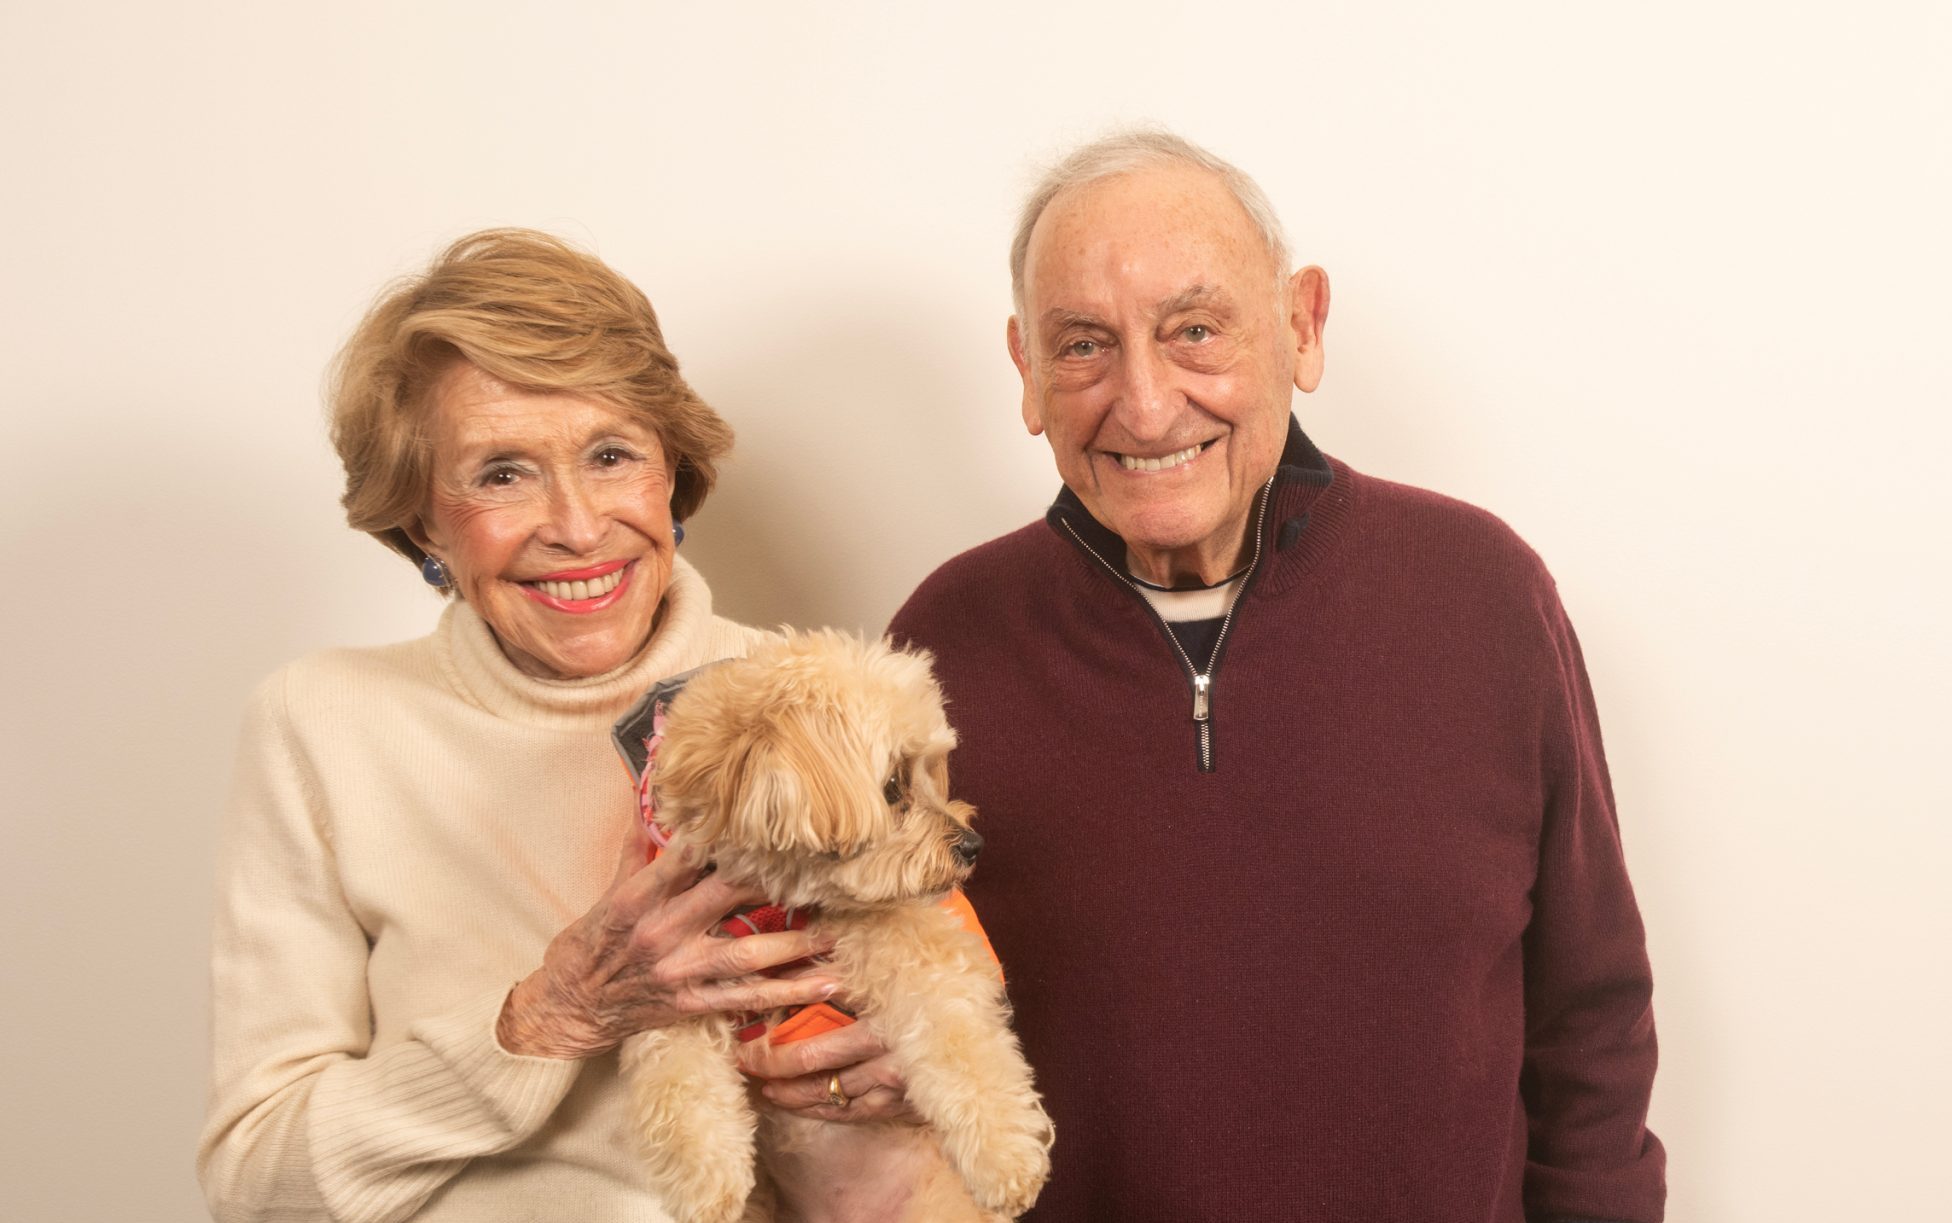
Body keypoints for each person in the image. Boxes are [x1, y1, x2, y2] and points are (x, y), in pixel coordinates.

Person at [886, 130, 1666, 1221]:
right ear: (1024, 369)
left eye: (1194, 331)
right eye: (1082, 346)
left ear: (1299, 326)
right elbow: (885, 1032)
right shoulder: (936, 650)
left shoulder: (1479, 592)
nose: (1147, 405)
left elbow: (1589, 1014)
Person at [196, 230, 902, 1222]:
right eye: (501, 473)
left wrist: (897, 1079)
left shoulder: (816, 698)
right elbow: (255, 1184)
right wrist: (543, 1018)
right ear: (420, 523)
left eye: (610, 454)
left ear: (670, 474)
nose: (574, 525)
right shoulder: (321, 724)